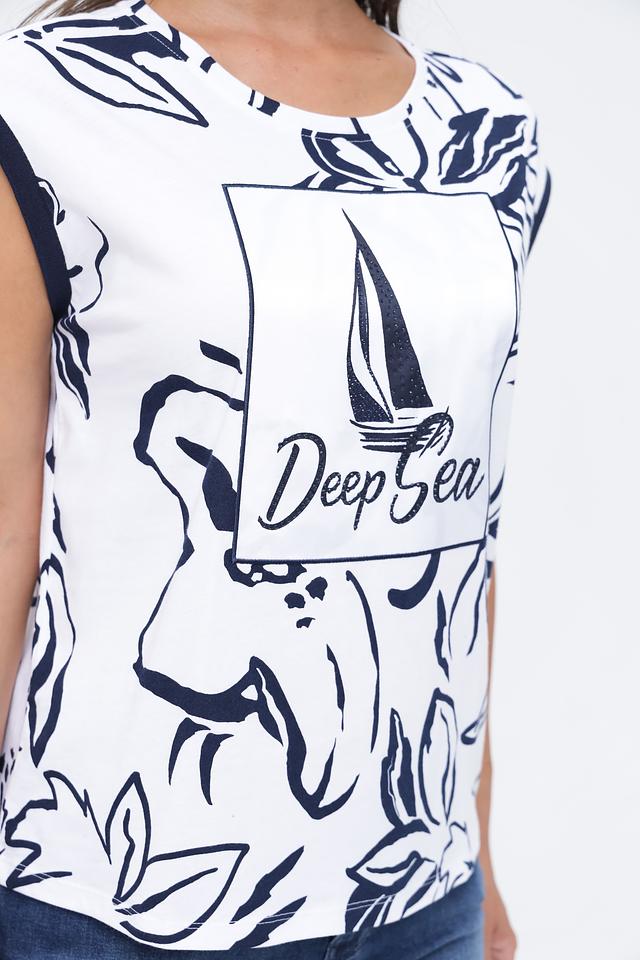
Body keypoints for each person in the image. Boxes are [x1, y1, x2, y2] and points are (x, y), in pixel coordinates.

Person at [0, 0, 551, 956]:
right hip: (108, 901)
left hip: (422, 894)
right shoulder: (47, 97)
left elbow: (460, 533)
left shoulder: (489, 133)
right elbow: (9, 527)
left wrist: (478, 848)